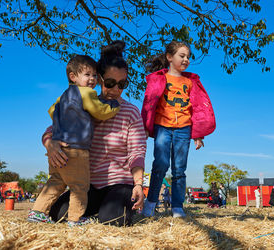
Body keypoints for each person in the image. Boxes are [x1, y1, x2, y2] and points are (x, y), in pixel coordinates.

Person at [42, 41, 146, 226]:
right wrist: (49, 143)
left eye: (122, 84)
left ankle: (104, 212)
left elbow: (136, 151)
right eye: (110, 83)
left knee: (113, 220)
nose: (115, 90)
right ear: (98, 79)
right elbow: (53, 129)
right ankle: (89, 215)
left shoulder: (131, 111)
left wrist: (138, 184)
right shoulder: (82, 102)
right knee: (58, 214)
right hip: (88, 184)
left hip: (119, 183)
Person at [28, 55, 121, 227]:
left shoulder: (63, 96)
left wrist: (65, 117)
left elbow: (51, 111)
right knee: (79, 186)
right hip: (76, 149)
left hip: (59, 147)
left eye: (94, 75)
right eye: (87, 75)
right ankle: (75, 219)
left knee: (55, 182)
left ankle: (37, 212)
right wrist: (113, 107)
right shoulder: (86, 92)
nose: (92, 79)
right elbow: (100, 111)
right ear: (73, 77)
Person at [141, 40, 216, 218]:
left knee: (179, 169)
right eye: (181, 56)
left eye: (188, 57)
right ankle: (151, 202)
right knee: (160, 164)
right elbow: (149, 103)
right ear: (169, 57)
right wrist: (145, 127)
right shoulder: (160, 78)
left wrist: (198, 134)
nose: (186, 60)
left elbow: (197, 108)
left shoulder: (190, 82)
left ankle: (177, 206)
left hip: (184, 128)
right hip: (163, 126)